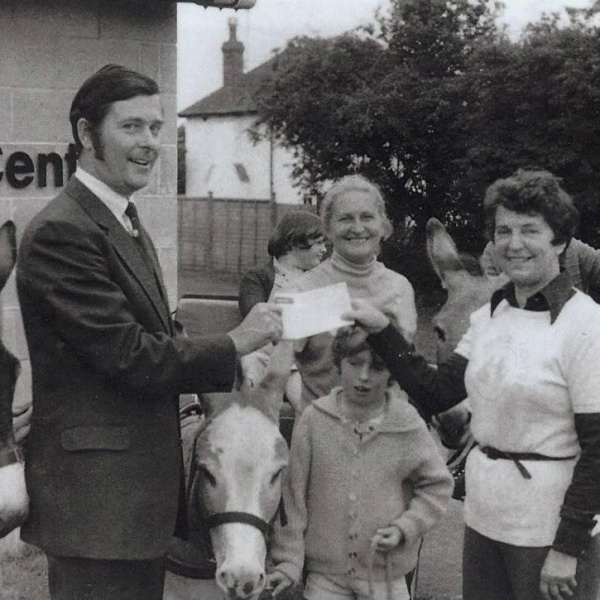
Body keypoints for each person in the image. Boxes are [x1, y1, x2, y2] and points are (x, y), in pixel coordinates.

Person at [16, 64, 282, 600]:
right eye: (131, 127)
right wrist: (236, 342)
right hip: (98, 509)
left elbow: (153, 335)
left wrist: (230, 365)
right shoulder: (62, 232)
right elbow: (129, 355)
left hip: (130, 506)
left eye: (156, 128)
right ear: (86, 135)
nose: (150, 143)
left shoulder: (123, 220)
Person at [346, 169, 600, 600]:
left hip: (550, 528)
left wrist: (567, 547)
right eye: (504, 230)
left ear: (560, 242)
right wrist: (382, 329)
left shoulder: (587, 323)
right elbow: (437, 392)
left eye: (530, 230)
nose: (514, 243)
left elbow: (598, 445)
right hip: (485, 518)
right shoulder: (489, 317)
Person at [266, 328, 453, 600]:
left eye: (378, 367)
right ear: (338, 362)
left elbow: (437, 485)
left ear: (393, 372)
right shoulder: (314, 420)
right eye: (354, 364)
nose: (364, 376)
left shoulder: (406, 423)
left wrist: (406, 527)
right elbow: (292, 499)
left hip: (386, 577)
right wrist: (288, 562)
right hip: (325, 578)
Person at [286, 175, 418, 413]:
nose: (358, 228)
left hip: (389, 436)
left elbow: (407, 372)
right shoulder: (303, 290)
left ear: (382, 224)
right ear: (327, 228)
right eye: (345, 218)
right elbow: (278, 371)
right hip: (325, 434)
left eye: (367, 217)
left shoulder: (400, 288)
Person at [238, 210, 326, 317]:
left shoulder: (320, 279)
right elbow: (254, 318)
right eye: (319, 243)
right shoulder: (257, 278)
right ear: (295, 241)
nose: (324, 249)